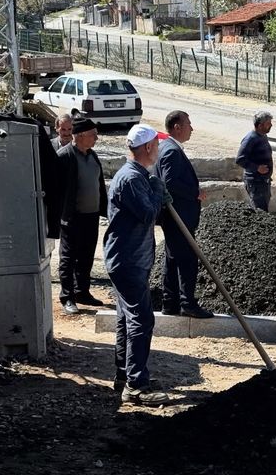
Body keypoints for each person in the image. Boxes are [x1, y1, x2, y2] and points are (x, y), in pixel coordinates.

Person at [104, 124, 169, 406]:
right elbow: (146, 214)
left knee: (126, 319)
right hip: (128, 260)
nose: (159, 148)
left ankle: (125, 376)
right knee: (142, 319)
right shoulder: (132, 179)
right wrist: (157, 190)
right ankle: (136, 386)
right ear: (146, 148)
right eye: (157, 144)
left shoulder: (136, 175)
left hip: (129, 258)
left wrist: (154, 187)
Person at [155, 110, 212, 319]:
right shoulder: (171, 151)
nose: (192, 128)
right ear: (177, 127)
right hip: (178, 216)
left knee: (172, 260)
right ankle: (187, 303)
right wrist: (195, 193)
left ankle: (170, 303)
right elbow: (170, 183)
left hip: (176, 216)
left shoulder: (168, 148)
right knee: (187, 260)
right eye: (188, 124)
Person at [56, 117, 108, 314]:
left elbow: (99, 185)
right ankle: (67, 296)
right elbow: (55, 190)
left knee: (86, 256)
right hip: (71, 218)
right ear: (80, 136)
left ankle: (82, 292)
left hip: (91, 216)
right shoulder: (64, 157)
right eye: (93, 135)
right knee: (68, 258)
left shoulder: (92, 155)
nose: (97, 138)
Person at [236, 111, 274, 211]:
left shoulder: (263, 136)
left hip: (264, 182)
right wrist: (257, 168)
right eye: (268, 123)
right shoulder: (250, 139)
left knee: (264, 210)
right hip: (255, 182)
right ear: (260, 125)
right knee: (260, 211)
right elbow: (240, 159)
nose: (271, 125)